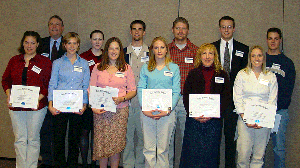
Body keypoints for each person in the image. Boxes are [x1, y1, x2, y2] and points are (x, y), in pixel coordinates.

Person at [2, 31, 52, 168]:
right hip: (16, 107)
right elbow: (5, 80)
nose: (29, 45)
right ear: (22, 43)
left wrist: (38, 98)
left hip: (37, 107)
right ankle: (21, 166)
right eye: (26, 42)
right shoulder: (14, 60)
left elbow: (48, 84)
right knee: (20, 139)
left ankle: (31, 166)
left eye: (32, 43)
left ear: (37, 44)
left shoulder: (44, 62)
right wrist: (9, 95)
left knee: (33, 139)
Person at [180, 43, 230, 168]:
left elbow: (226, 97)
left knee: (210, 154)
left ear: (215, 56)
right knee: (192, 154)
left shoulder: (222, 74)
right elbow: (186, 95)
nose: (207, 56)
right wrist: (193, 114)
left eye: (210, 53)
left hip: (214, 121)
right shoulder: (193, 73)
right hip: (194, 120)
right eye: (204, 53)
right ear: (199, 56)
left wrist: (213, 114)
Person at [90, 37, 136, 168]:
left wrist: (122, 98)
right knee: (102, 144)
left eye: (117, 48)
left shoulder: (126, 68)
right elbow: (91, 89)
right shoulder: (97, 67)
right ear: (106, 50)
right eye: (111, 48)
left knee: (116, 145)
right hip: (101, 111)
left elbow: (133, 90)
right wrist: (93, 107)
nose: (114, 51)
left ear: (120, 51)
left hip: (120, 111)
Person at [48, 32, 90, 168]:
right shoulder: (57, 63)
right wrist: (50, 104)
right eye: (69, 43)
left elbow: (86, 86)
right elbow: (52, 84)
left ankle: (72, 164)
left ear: (78, 45)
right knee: (58, 139)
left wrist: (84, 104)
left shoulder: (84, 64)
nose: (72, 46)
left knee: (74, 139)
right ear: (64, 45)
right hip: (59, 106)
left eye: (75, 43)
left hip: (77, 107)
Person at [212, 15, 249, 168]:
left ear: (234, 29)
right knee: (214, 139)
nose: (226, 30)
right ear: (219, 29)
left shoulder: (243, 49)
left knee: (231, 140)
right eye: (223, 27)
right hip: (215, 101)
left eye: (229, 27)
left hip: (234, 102)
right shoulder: (211, 48)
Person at [138, 36, 181, 168]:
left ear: (167, 49)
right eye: (156, 47)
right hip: (147, 113)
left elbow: (176, 91)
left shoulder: (173, 68)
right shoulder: (146, 68)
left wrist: (167, 109)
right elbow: (140, 88)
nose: (159, 50)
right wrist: (145, 108)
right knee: (149, 149)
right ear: (152, 50)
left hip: (167, 113)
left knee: (163, 150)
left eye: (162, 47)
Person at [233, 45, 278, 168]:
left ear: (263, 58)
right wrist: (245, 118)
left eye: (259, 55)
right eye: (253, 55)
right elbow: (238, 98)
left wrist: (262, 120)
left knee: (259, 156)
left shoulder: (270, 76)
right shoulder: (242, 74)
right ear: (249, 58)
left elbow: (272, 100)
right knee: (243, 155)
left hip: (263, 121)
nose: (256, 58)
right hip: (244, 119)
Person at [168, 17, 198, 168]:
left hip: (188, 101)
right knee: (167, 139)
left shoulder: (196, 51)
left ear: (188, 30)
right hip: (168, 100)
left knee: (187, 139)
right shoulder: (165, 50)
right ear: (173, 30)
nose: (180, 31)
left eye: (183, 28)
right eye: (177, 28)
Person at [264, 28, 295, 168]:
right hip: (261, 112)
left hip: (279, 111)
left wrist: (275, 106)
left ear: (280, 41)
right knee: (260, 149)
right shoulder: (260, 60)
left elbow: (288, 90)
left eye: (276, 39)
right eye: (270, 38)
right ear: (266, 40)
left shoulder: (288, 63)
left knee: (278, 148)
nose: (273, 41)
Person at [39, 15, 65, 168]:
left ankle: (59, 161)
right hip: (43, 94)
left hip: (62, 95)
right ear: (48, 27)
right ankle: (47, 161)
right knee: (44, 129)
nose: (54, 27)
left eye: (58, 24)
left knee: (59, 131)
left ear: (62, 27)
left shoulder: (67, 44)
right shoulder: (40, 43)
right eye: (51, 24)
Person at [123, 20, 148, 168]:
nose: (137, 32)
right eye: (134, 29)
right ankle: (127, 164)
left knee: (143, 137)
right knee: (127, 137)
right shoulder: (123, 53)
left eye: (140, 29)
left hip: (145, 102)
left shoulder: (151, 52)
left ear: (144, 32)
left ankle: (139, 164)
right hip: (127, 101)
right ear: (131, 32)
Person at [79, 30, 104, 168]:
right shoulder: (83, 57)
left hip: (101, 101)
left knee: (96, 133)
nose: (97, 42)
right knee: (84, 132)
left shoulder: (107, 56)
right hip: (86, 101)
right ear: (90, 40)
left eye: (100, 39)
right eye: (95, 39)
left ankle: (94, 162)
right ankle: (84, 163)